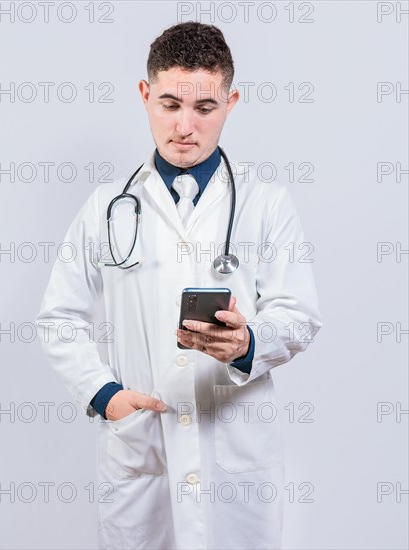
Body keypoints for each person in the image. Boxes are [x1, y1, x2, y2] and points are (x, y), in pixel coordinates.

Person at [36, 21, 322, 550]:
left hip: (234, 448)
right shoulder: (106, 207)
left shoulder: (266, 203)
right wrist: (106, 396)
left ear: (230, 102)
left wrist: (247, 344)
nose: (185, 126)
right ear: (145, 96)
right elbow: (59, 318)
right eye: (169, 104)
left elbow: (299, 314)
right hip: (142, 446)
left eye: (205, 108)